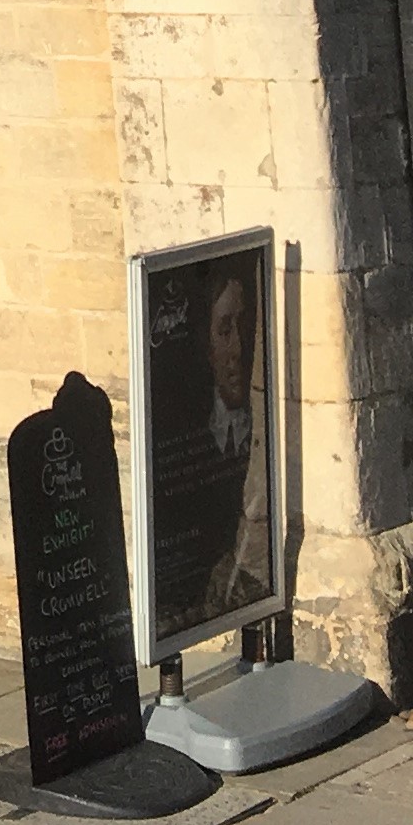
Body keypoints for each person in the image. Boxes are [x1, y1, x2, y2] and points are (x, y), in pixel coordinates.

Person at [148, 250, 269, 636]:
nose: (236, 347)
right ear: (206, 344)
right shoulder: (189, 431)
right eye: (223, 329)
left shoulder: (256, 429)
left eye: (243, 326)